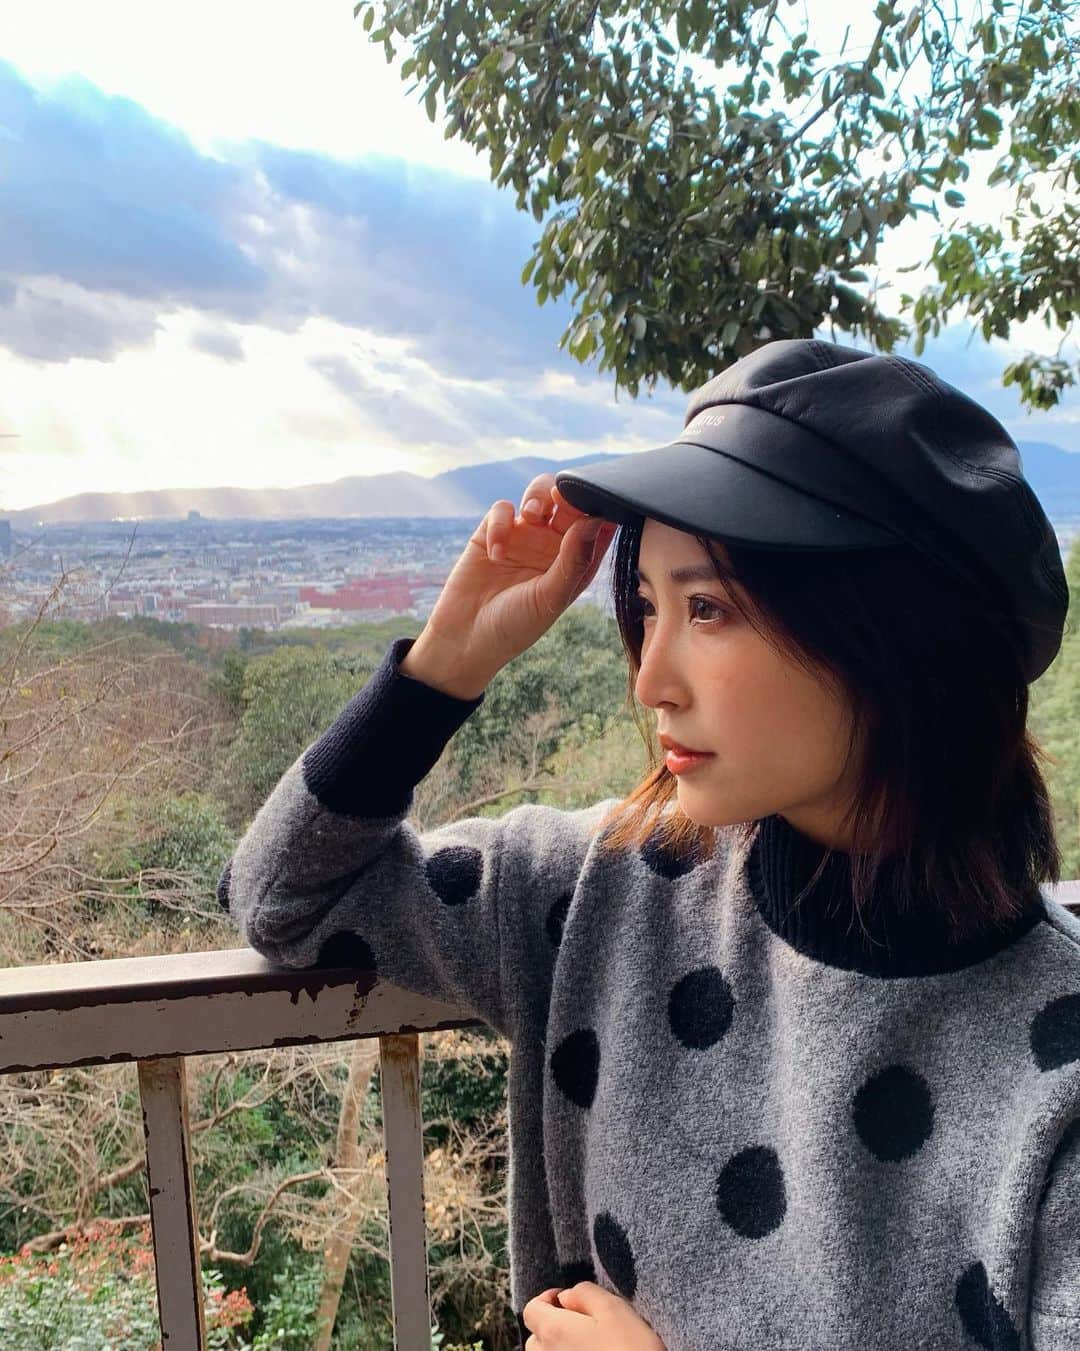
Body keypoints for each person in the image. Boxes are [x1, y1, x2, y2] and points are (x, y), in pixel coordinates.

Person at [220, 338, 1080, 1350]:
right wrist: (443, 666)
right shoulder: (610, 888)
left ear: (896, 642)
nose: (650, 678)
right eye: (645, 608)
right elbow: (285, 897)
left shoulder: (1053, 1073)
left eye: (708, 608)